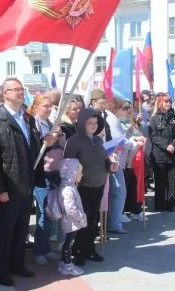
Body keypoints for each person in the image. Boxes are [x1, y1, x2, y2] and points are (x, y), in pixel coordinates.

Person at [0, 78, 46, 287]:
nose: (20, 93)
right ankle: (2, 271)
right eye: (16, 89)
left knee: (21, 230)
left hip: (26, 184)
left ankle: (18, 265)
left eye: (22, 89)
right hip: (8, 188)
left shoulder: (26, 119)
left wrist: (47, 142)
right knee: (4, 232)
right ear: (4, 93)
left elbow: (31, 149)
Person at [63, 108, 119, 267]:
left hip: (98, 185)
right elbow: (68, 163)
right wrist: (76, 176)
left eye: (95, 123)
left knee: (93, 219)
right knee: (82, 221)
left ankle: (90, 249)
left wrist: (110, 166)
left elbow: (103, 159)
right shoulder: (74, 141)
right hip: (82, 186)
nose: (93, 126)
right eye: (90, 123)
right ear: (82, 123)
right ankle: (78, 251)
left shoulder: (98, 140)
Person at [27, 95, 64, 266]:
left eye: (50, 106)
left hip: (55, 173)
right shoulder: (33, 123)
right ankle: (39, 251)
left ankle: (46, 248)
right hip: (43, 174)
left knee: (52, 213)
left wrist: (60, 135)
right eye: (45, 106)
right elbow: (37, 147)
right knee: (44, 214)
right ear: (36, 107)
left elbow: (63, 144)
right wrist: (50, 141)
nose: (49, 109)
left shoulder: (50, 123)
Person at [105, 98, 143, 232]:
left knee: (117, 192)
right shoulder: (113, 120)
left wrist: (131, 137)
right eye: (125, 108)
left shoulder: (113, 119)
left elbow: (122, 138)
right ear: (117, 108)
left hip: (116, 160)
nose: (127, 110)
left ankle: (113, 223)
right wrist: (134, 143)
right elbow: (119, 141)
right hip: (115, 160)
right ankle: (114, 224)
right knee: (119, 192)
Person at [149, 94, 175, 211]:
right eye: (165, 102)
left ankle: (170, 202)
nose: (167, 104)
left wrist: (174, 144)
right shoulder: (154, 118)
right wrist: (166, 145)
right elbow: (153, 136)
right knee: (160, 181)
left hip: (172, 153)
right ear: (160, 103)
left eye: (169, 102)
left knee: (171, 181)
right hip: (159, 153)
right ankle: (160, 204)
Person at [57, 159, 87, 276]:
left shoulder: (68, 186)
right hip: (71, 222)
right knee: (69, 243)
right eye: (80, 172)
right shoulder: (68, 189)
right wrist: (80, 217)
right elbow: (70, 209)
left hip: (70, 221)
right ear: (72, 173)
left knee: (68, 242)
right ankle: (68, 265)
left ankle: (63, 263)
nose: (82, 175)